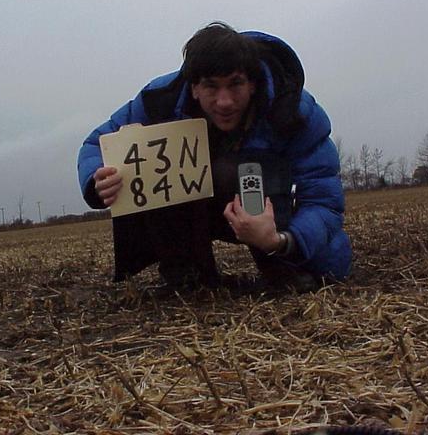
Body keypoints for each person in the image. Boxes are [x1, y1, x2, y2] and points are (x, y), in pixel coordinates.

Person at [78, 22, 351, 292]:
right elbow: (96, 143)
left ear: (253, 84)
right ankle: (186, 272)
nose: (225, 101)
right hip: (201, 211)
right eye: (211, 87)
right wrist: (96, 178)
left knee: (248, 170)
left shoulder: (295, 111)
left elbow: (324, 201)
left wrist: (280, 240)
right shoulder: (160, 99)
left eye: (236, 84)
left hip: (273, 223)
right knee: (155, 162)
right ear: (193, 87)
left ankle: (282, 269)